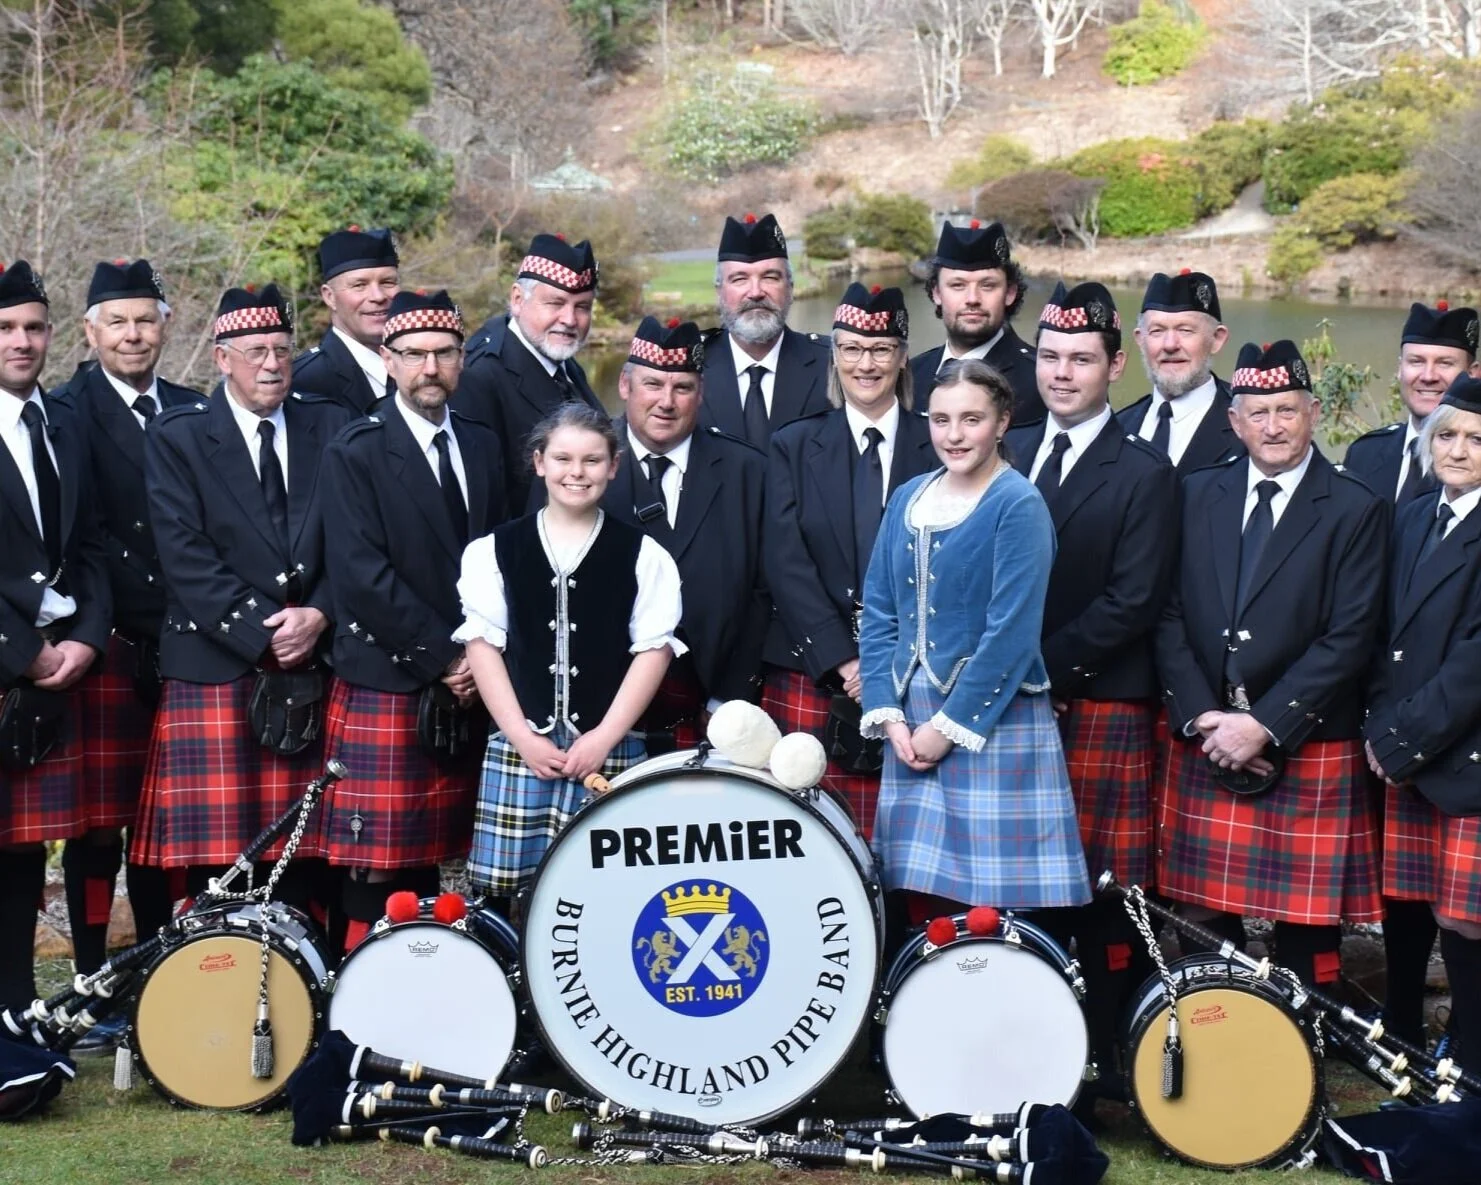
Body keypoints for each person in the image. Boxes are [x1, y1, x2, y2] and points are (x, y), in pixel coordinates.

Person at [1155, 340, 1388, 989]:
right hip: (1204, 732)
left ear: (1312, 412)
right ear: (1234, 420)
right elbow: (1167, 611)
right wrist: (1202, 714)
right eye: (1256, 412)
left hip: (1304, 734)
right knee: (1201, 907)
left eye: (1286, 409)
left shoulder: (1353, 505)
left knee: (1307, 920)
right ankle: (1215, 1015)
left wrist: (1261, 723)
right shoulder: (1196, 491)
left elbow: (1349, 636)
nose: (1272, 425)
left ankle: (1306, 1034)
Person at [1005, 281, 1178, 1084]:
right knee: (1019, 878)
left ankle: (1110, 1047)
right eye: (1049, 357)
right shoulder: (1006, 451)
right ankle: (1030, 1038)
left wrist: (1034, 667)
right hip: (1005, 705)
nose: (1061, 373)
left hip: (1096, 698)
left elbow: (1134, 599)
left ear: (1115, 365)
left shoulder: (1143, 471)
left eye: (1080, 359)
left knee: (1103, 885)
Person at [133, 285, 351, 906]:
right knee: (215, 867)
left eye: (282, 349)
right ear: (221, 359)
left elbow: (357, 540)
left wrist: (320, 613)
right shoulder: (178, 437)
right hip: (217, 662)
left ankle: (306, 982)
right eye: (255, 351)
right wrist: (266, 632)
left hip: (316, 661)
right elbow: (185, 556)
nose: (271, 364)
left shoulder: (330, 425)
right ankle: (207, 983)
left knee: (308, 853)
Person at [859, 357, 1089, 922]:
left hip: (991, 716)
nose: (954, 435)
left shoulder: (1018, 504)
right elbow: (880, 613)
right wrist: (888, 712)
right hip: (909, 717)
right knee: (924, 901)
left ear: (1003, 422)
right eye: (940, 420)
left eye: (971, 419)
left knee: (1000, 908)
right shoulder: (909, 495)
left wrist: (948, 728)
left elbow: (1010, 635)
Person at [319, 290, 507, 952]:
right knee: (379, 860)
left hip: (477, 678)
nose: (430, 366)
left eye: (444, 352)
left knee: (461, 854)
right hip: (394, 676)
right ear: (387, 359)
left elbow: (503, 556)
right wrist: (449, 660)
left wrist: (481, 657)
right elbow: (360, 576)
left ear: (461, 359)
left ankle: (444, 978)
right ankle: (359, 996)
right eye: (414, 354)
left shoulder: (483, 445)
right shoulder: (355, 450)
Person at [47, 259, 200, 1049]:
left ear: (165, 324)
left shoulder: (194, 407)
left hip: (186, 639)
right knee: (97, 825)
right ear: (90, 331)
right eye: (118, 321)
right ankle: (88, 975)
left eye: (145, 319)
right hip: (107, 636)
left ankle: (154, 968)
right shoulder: (64, 411)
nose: (134, 334)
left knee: (165, 823)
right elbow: (80, 532)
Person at [455, 403, 682, 912]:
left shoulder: (644, 555)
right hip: (522, 749)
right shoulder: (494, 550)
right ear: (539, 463)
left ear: (614, 466)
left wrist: (604, 737)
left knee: (610, 897)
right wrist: (521, 737)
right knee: (502, 901)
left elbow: (654, 652)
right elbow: (483, 647)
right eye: (562, 459)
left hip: (610, 747)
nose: (575, 473)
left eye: (591, 460)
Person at [1347, 302, 1479, 1047]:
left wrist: (1399, 738)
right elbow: (1381, 632)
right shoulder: (1417, 514)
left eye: (1472, 439)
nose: (1456, 448)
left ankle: (1466, 1064)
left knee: (1465, 917)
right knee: (1415, 900)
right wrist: (1377, 722)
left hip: (1458, 755)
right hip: (1402, 745)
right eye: (1447, 435)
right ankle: (1426, 1054)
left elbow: (1473, 663)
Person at [764, 285, 936, 841]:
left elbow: (953, 566)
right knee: (814, 842)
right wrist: (844, 661)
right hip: (813, 669)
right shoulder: (793, 444)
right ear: (834, 354)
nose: (867, 363)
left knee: (908, 844)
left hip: (917, 675)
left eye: (882, 349)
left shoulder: (939, 445)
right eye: (853, 348)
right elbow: (783, 559)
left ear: (904, 356)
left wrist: (891, 661)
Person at [0, 261, 111, 1015]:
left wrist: (87, 640)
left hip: (63, 660)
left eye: (34, 327)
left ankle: (16, 1006)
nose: (23, 341)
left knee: (27, 849)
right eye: (6, 329)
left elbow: (95, 544)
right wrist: (21, 650)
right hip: (9, 661)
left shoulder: (67, 419)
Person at [604, 316, 768, 748]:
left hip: (716, 710)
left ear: (702, 393)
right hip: (604, 712)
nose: (666, 402)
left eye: (682, 387)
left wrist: (730, 697)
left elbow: (763, 591)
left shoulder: (746, 470)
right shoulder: (582, 466)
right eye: (652, 384)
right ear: (625, 385)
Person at [454, 234, 604, 509]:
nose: (570, 320)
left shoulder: (564, 363)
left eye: (582, 307)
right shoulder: (479, 376)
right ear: (518, 299)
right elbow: (484, 502)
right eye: (555, 303)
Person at [699, 212, 829, 448]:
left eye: (770, 277)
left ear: (790, 287)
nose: (756, 292)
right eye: (739, 279)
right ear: (719, 291)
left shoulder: (831, 364)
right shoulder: (689, 369)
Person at [1345, 302, 1479, 506]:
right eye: (1416, 361)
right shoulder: (1364, 454)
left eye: (1445, 363)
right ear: (1400, 368)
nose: (1428, 376)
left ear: (1473, 373)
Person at [909, 219, 1042, 424]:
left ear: (1010, 293)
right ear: (936, 293)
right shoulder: (911, 375)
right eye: (957, 285)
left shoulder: (1043, 381)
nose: (972, 299)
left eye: (987, 285)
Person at [1121, 270, 1244, 476]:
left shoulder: (1251, 427)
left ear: (1217, 339)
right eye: (1157, 331)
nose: (1170, 345)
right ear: (1140, 340)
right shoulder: (1118, 427)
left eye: (1185, 330)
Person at [292, 227, 402, 415]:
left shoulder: (424, 367)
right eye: (359, 285)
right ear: (329, 297)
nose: (378, 296)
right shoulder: (306, 381)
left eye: (387, 282)